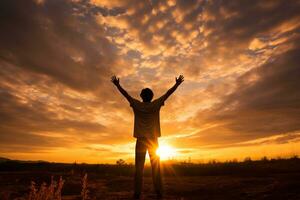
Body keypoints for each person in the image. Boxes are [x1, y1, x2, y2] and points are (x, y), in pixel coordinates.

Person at [111, 75, 184, 199]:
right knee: (156, 168)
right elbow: (167, 94)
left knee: (138, 169)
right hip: (153, 141)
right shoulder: (155, 104)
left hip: (141, 141)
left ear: (141, 96)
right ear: (152, 97)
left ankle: (137, 194)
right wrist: (177, 84)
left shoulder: (136, 105)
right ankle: (159, 193)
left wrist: (117, 85)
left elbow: (126, 95)